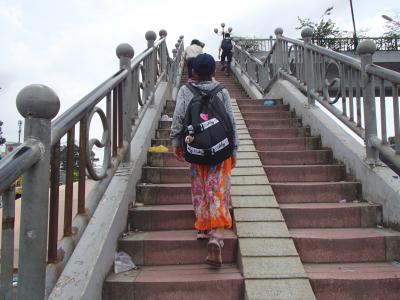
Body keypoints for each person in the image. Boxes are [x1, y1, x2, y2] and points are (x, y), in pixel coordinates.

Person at [170, 53, 239, 267]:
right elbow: (231, 121)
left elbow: (179, 116)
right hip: (221, 148)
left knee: (199, 186)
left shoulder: (185, 90)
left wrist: (176, 141)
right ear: (214, 72)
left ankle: (202, 227)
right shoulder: (222, 91)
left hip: (196, 146)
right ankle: (217, 234)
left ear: (193, 71)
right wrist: (234, 148)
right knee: (217, 186)